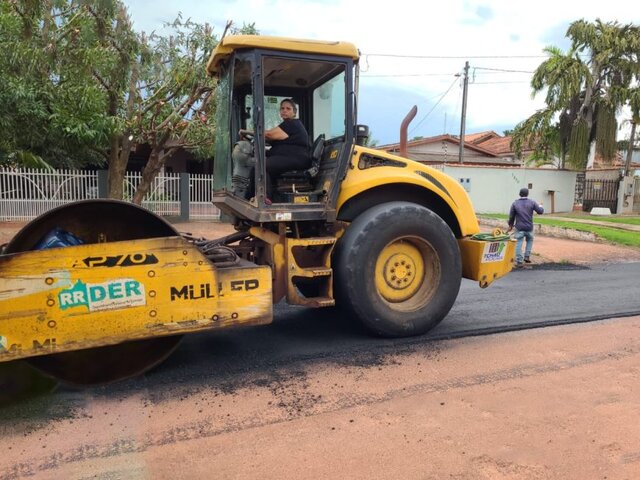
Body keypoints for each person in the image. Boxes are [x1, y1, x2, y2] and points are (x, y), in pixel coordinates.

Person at [240, 98, 310, 201]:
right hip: (288, 157)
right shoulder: (286, 125)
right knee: (260, 164)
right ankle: (251, 198)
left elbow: (269, 134)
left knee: (261, 167)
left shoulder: (292, 123)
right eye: (282, 108)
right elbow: (269, 138)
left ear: (294, 112)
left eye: (288, 108)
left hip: (296, 158)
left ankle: (263, 199)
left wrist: (246, 131)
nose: (284, 110)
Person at [507, 187, 544, 268]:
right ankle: (527, 256)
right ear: (527, 194)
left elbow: (511, 216)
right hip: (529, 227)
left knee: (518, 243)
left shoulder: (515, 203)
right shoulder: (532, 202)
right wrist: (541, 206)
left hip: (519, 228)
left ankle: (519, 261)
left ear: (519, 194)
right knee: (530, 240)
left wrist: (510, 225)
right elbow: (540, 211)